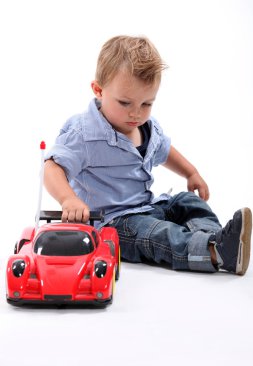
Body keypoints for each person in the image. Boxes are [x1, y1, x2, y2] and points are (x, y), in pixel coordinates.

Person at [44, 35, 252, 275]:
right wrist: (68, 199)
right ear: (98, 90)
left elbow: (164, 150)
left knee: (187, 202)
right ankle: (211, 252)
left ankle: (215, 241)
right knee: (157, 234)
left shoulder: (146, 128)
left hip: (148, 205)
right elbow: (52, 167)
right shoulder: (83, 133)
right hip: (114, 223)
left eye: (146, 104)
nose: (136, 113)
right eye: (125, 102)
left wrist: (191, 172)